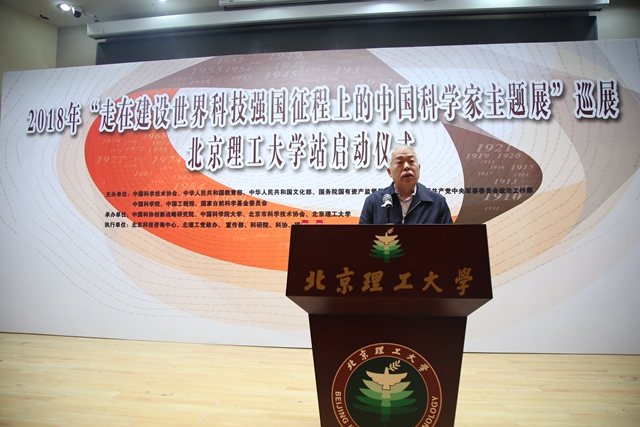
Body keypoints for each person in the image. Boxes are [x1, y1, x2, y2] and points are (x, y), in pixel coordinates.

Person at [359, 145, 453, 224]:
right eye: (400, 162)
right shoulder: (373, 201)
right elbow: (362, 238)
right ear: (389, 172)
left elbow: (449, 238)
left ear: (419, 168)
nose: (407, 167)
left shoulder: (438, 202)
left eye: (411, 161)